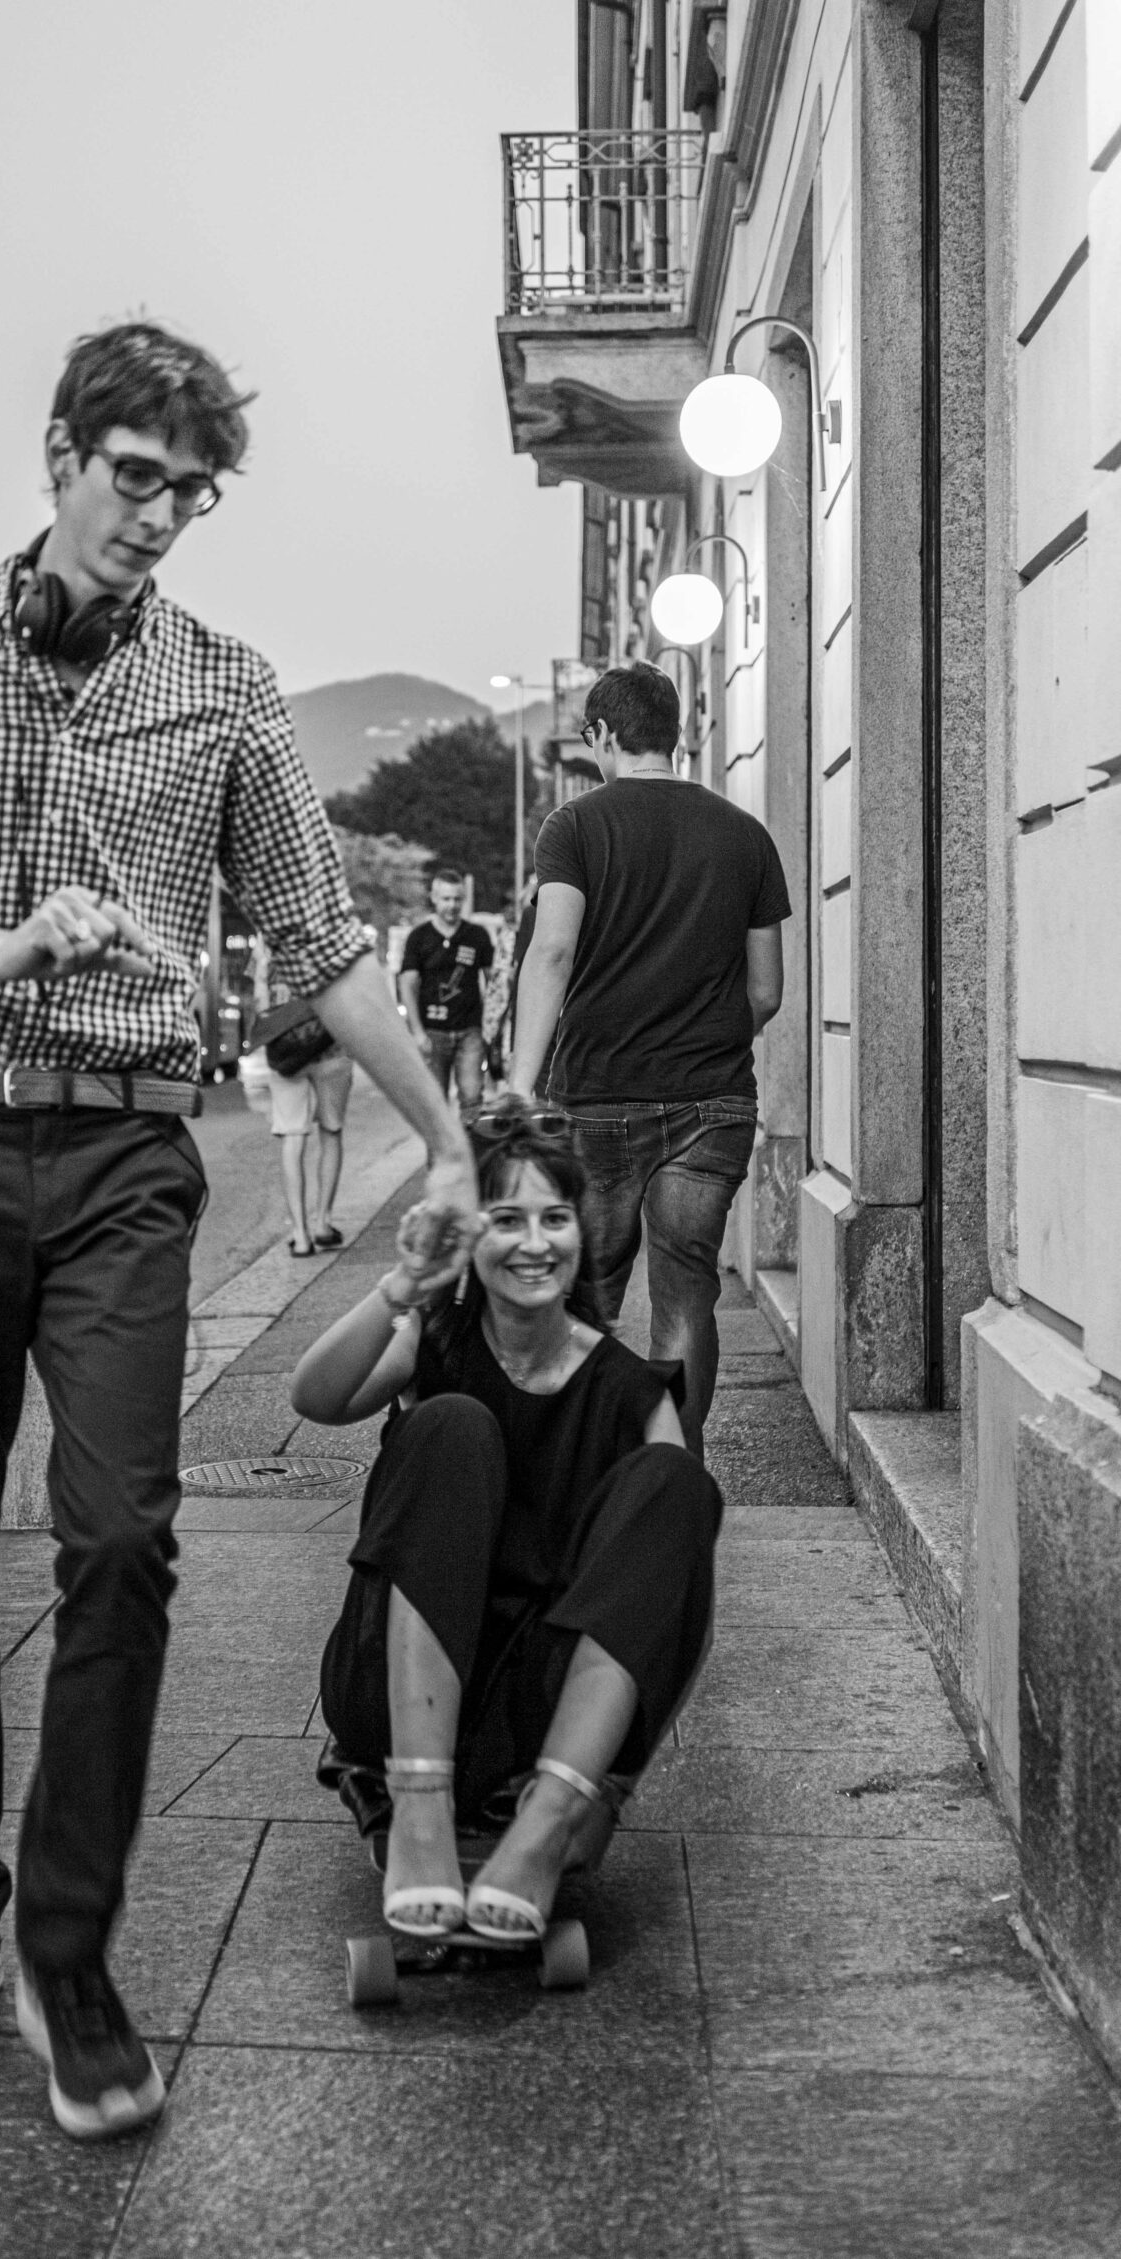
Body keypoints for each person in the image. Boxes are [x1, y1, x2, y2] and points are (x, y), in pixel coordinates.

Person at [0, 321, 480, 2142]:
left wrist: (451, 1132)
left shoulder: (227, 685)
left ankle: (68, 1949)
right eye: (133, 474)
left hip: (121, 1163)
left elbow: (323, 938)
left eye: (192, 488)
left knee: (123, 1540)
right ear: (61, 454)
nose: (159, 514)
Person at [291, 1099, 721, 1945]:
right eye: (506, 1218)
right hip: (393, 1681)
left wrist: (610, 1787)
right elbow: (315, 1397)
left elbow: (675, 1598)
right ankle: (417, 1804)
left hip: (538, 1713)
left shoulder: (630, 1390)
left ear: (580, 1234)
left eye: (554, 1218)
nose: (534, 1243)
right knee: (451, 1426)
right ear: (469, 1237)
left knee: (678, 1485)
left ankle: (545, 1819)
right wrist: (401, 1290)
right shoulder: (433, 1340)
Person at [505, 662, 789, 1459]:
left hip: (597, 1101)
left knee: (582, 1296)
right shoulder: (745, 835)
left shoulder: (574, 826)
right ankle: (673, 1468)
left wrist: (520, 1087)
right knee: (686, 1296)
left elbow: (551, 951)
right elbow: (766, 991)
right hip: (713, 1106)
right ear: (679, 733)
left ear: (601, 734)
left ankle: (578, 1467)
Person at [256, 979, 352, 1255]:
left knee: (291, 1136)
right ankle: (322, 1223)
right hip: (331, 1047)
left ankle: (300, 1236)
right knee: (332, 1132)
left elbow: (261, 999)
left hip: (287, 1051)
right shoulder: (334, 937)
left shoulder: (269, 940)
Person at [398, 867, 494, 1110]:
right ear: (434, 898)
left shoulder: (477, 935)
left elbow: (492, 981)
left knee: (472, 1100)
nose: (452, 905)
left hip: (470, 1031)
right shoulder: (419, 937)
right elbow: (407, 984)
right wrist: (417, 1032)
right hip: (432, 1032)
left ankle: (472, 1148)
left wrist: (491, 1028)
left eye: (457, 899)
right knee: (434, 1105)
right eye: (446, 899)